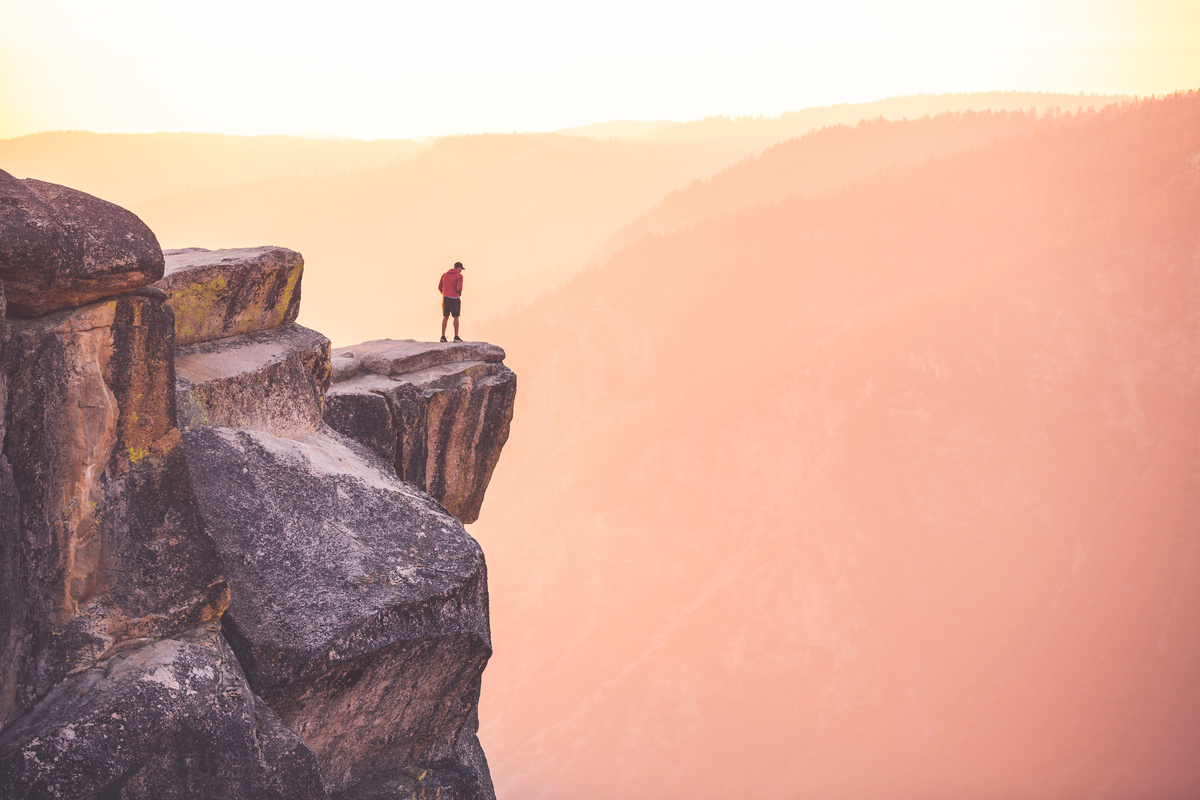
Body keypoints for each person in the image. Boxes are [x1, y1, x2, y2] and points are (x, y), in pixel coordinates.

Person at [438, 261, 465, 342]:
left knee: (445, 317)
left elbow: (439, 287)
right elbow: (459, 288)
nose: (461, 271)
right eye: (461, 269)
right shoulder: (459, 276)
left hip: (445, 298)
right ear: (459, 268)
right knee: (456, 317)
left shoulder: (444, 275)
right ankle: (456, 336)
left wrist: (444, 293)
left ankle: (442, 336)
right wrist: (459, 294)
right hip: (455, 298)